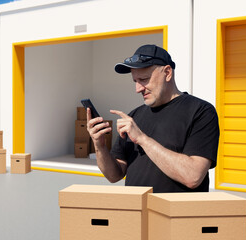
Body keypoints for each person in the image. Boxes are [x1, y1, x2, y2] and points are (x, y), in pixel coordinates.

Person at [86, 44, 219, 193]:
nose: (138, 89)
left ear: (167, 73)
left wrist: (142, 139)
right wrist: (100, 146)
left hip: (175, 215)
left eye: (144, 79)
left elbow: (193, 177)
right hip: (136, 213)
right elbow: (113, 175)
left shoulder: (201, 111)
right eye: (135, 81)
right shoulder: (134, 116)